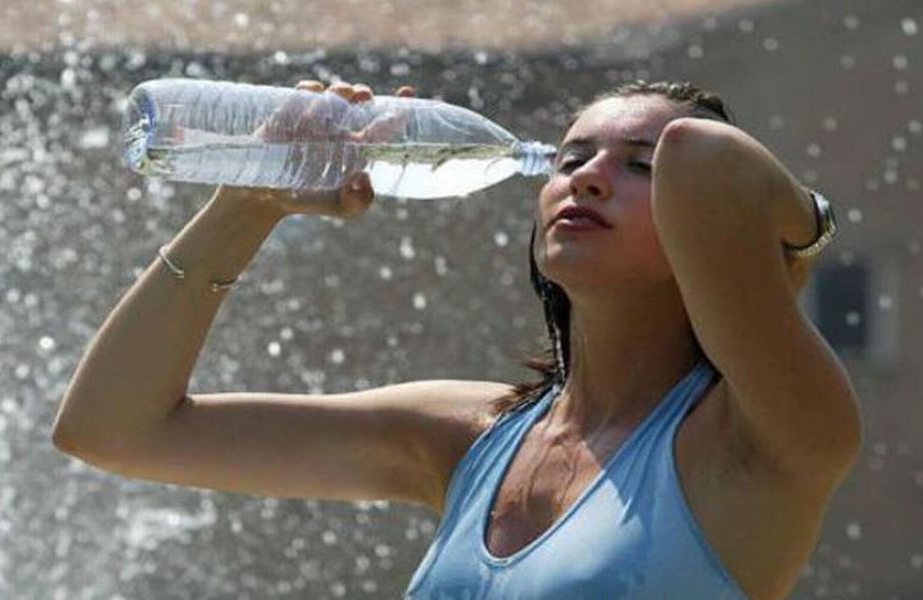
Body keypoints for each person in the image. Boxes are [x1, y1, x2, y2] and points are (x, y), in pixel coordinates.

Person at [52, 78, 861, 600]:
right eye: (572, 158)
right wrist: (246, 206)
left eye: (640, 166)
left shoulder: (766, 440)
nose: (584, 176)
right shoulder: (469, 434)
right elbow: (113, 429)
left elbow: (705, 155)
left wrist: (803, 234)